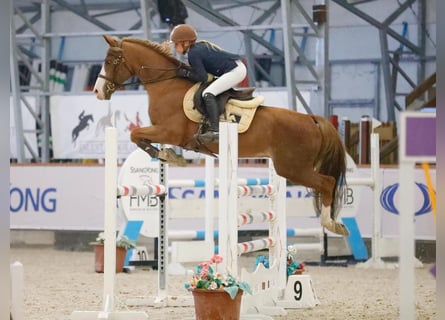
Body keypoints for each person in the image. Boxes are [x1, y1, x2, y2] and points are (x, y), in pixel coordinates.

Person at [170, 24, 247, 142]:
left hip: (235, 71)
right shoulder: (196, 48)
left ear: (185, 43)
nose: (175, 47)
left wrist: (184, 74)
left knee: (208, 93)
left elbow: (203, 77)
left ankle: (215, 131)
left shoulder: (193, 53)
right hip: (235, 67)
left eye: (176, 44)